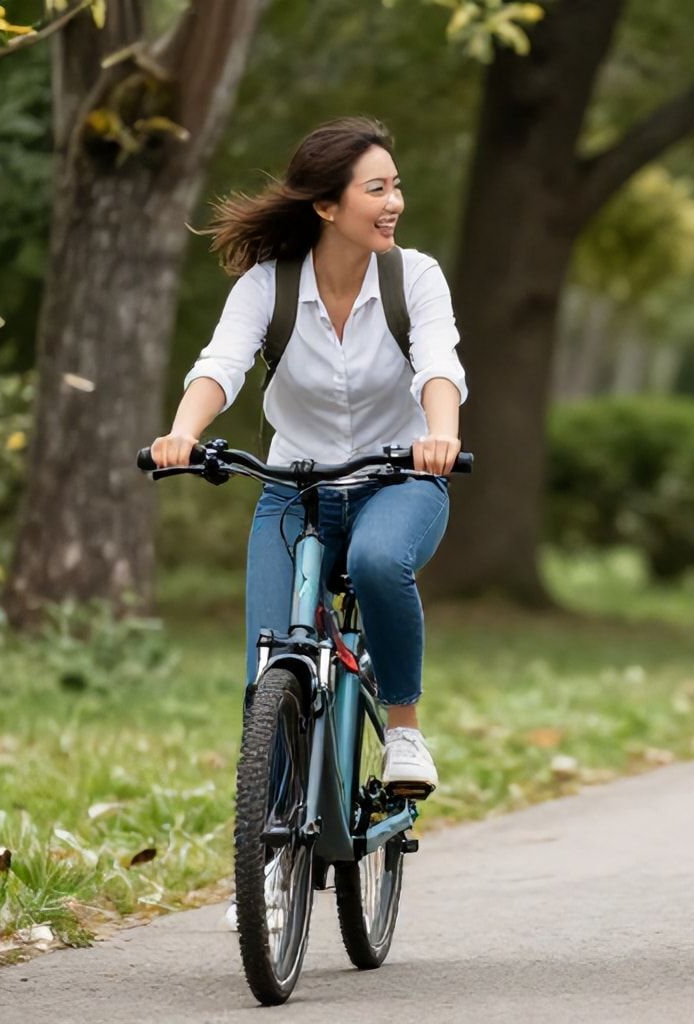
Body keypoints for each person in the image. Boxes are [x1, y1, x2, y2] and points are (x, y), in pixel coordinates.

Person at [150, 116, 466, 801]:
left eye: (396, 186)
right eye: (375, 189)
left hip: (399, 481)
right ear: (327, 206)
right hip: (294, 492)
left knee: (380, 563)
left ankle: (405, 732)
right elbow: (223, 363)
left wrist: (440, 434)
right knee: (269, 671)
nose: (394, 203)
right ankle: (267, 867)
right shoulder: (268, 286)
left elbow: (438, 361)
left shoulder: (415, 278)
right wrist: (181, 431)